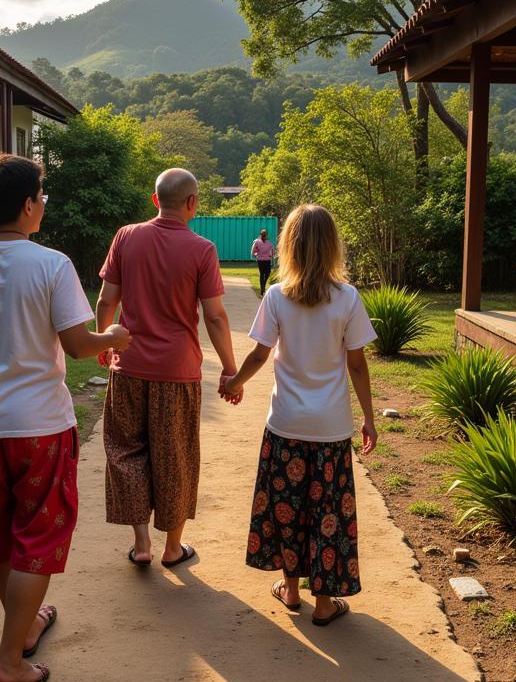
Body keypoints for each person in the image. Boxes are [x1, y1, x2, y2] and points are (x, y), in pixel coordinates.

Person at [0, 153, 130, 682]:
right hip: (40, 427)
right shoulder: (52, 265)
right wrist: (114, 340)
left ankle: (26, 625)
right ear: (27, 205)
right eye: (41, 195)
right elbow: (78, 345)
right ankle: (9, 660)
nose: (43, 204)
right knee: (37, 537)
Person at [223, 204, 377, 625]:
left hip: (286, 425)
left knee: (287, 505)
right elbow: (357, 364)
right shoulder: (347, 298)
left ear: (287, 246)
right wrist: (369, 417)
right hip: (330, 429)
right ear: (332, 246)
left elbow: (259, 354)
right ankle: (324, 603)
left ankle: (290, 589)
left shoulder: (276, 296)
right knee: (328, 511)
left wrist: (235, 383)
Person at [96, 167, 239, 568]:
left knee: (126, 450)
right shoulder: (202, 250)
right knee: (175, 456)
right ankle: (173, 548)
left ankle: (141, 543)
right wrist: (230, 369)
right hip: (177, 372)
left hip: (128, 365)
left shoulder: (126, 236)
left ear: (154, 199)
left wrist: (103, 342)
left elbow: (107, 300)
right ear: (192, 203)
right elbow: (214, 318)